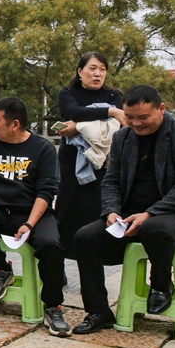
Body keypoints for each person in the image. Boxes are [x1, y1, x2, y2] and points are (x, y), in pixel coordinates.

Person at [73, 85, 175, 333]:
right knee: (85, 236)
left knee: (155, 229)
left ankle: (160, 285)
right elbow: (112, 180)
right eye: (130, 117)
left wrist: (150, 214)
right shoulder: (123, 137)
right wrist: (112, 211)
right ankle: (98, 311)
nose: (136, 123)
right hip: (129, 212)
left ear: (161, 109)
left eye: (143, 117)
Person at [0, 97, 70, 337]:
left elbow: (47, 191)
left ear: (14, 124)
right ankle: (3, 269)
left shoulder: (42, 148)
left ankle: (53, 306)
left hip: (34, 212)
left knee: (50, 244)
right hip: (0, 211)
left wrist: (29, 224)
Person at [54, 52, 125, 256]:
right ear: (80, 71)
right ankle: (59, 261)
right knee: (66, 211)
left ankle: (95, 258)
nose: (97, 74)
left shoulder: (114, 96)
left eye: (102, 69)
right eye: (92, 68)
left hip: (102, 161)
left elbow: (116, 125)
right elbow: (74, 111)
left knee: (96, 211)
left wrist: (78, 126)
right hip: (71, 160)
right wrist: (110, 112)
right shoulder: (67, 93)